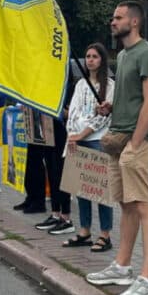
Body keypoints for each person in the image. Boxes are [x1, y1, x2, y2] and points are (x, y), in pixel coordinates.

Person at [85, 1, 148, 295]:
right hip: (119, 137)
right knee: (126, 204)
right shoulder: (124, 54)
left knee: (143, 205)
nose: (112, 21)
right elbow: (132, 98)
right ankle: (122, 266)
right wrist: (112, 106)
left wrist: (135, 143)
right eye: (113, 16)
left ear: (134, 21)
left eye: (118, 17)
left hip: (135, 141)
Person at [63, 43, 116, 252]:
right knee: (81, 189)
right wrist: (72, 135)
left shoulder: (109, 86)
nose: (90, 60)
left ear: (102, 60)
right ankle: (85, 230)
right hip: (76, 138)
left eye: (94, 56)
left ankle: (105, 234)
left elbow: (103, 118)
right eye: (87, 56)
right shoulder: (80, 85)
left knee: (99, 189)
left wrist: (82, 134)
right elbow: (74, 112)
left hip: (96, 140)